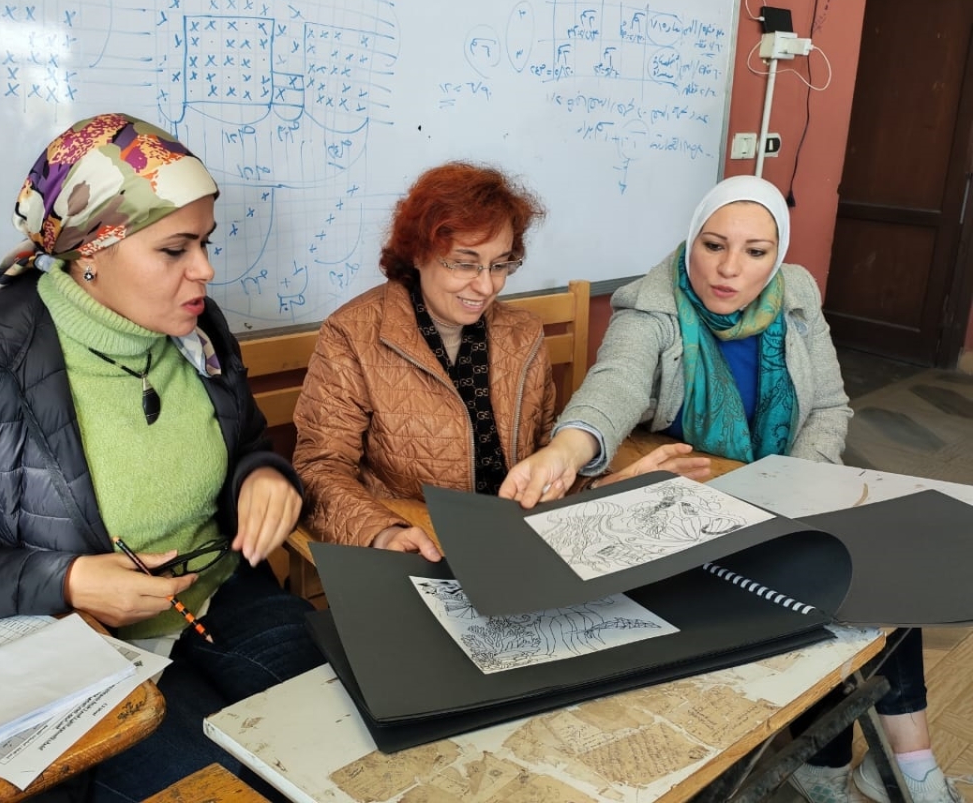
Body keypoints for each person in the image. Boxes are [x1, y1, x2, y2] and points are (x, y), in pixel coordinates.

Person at [0, 113, 324, 803]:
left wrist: (263, 475)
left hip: (219, 596)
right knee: (219, 784)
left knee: (348, 737)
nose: (206, 271)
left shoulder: (197, 332)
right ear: (91, 253)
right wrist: (67, 581)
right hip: (79, 645)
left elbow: (242, 442)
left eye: (205, 243)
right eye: (175, 249)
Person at [499, 175, 957, 803]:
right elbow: (615, 384)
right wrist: (565, 450)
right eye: (713, 245)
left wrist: (796, 482)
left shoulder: (797, 295)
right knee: (830, 581)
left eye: (755, 251)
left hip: (790, 492)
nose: (729, 268)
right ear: (692, 240)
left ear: (778, 255)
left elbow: (829, 406)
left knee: (882, 565)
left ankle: (907, 765)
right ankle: (832, 763)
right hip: (699, 510)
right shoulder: (653, 303)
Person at [293, 161, 706, 561]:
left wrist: (606, 487)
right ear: (418, 253)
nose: (486, 286)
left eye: (500, 264)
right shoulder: (353, 335)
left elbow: (545, 455)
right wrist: (383, 532)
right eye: (465, 263)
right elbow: (318, 468)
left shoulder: (521, 334)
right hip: (421, 545)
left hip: (519, 542)